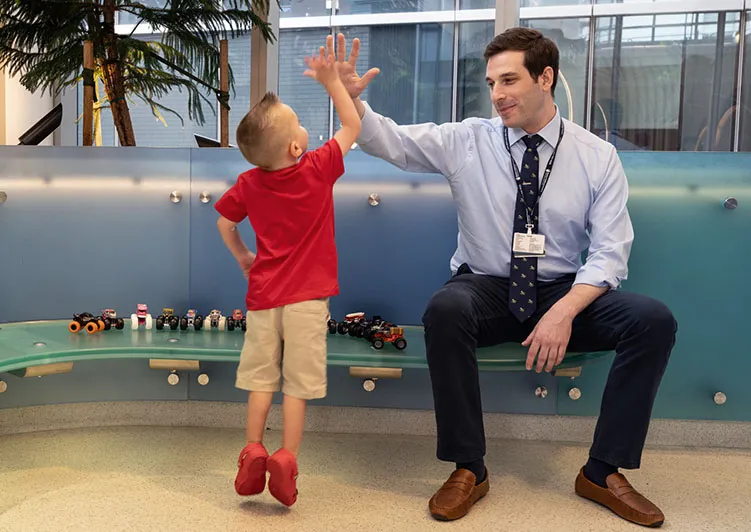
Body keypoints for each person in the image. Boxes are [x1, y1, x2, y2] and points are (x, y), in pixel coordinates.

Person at [325, 29, 677, 527]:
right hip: (486, 286)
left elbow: (609, 253)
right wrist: (349, 97)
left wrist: (563, 312)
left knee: (652, 320)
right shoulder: (468, 139)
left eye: (509, 80)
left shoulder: (596, 156)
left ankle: (602, 472)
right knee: (445, 310)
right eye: (492, 82)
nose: (497, 94)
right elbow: (392, 142)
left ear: (546, 78)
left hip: (562, 290)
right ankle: (468, 468)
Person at [214, 44, 361, 507]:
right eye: (299, 124)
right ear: (297, 147)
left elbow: (224, 224)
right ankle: (286, 458)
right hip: (308, 301)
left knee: (262, 381)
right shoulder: (317, 169)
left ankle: (253, 448)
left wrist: (243, 257)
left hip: (263, 298)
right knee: (296, 387)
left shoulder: (249, 182)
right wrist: (332, 81)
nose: (305, 129)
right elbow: (353, 125)